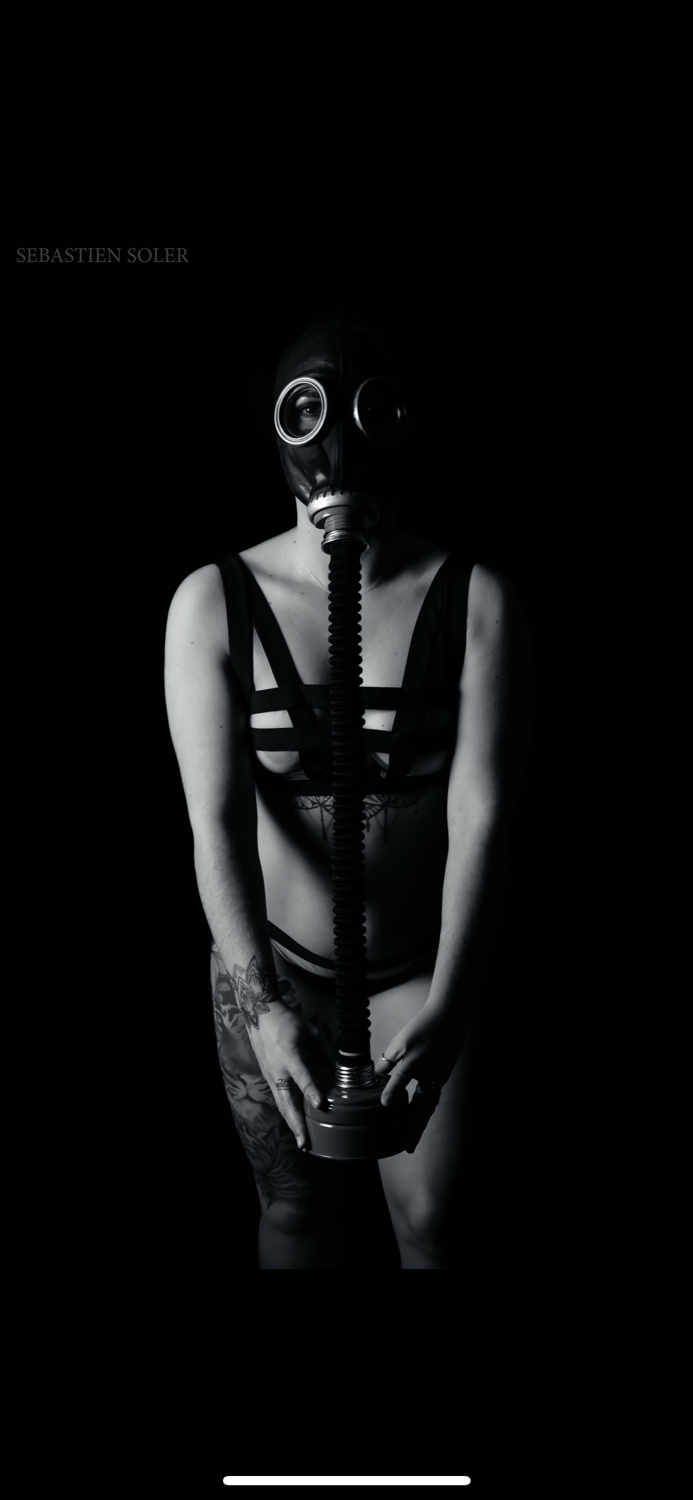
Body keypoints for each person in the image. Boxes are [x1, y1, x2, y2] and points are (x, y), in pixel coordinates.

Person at [164, 313, 533, 1269]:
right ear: (280, 425)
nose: (336, 447)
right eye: (309, 413)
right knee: (295, 1218)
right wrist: (262, 1004)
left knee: (435, 1229)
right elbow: (214, 823)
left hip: (422, 976)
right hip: (274, 970)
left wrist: (452, 1004)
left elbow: (482, 815)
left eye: (364, 413)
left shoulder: (474, 601)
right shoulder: (212, 603)